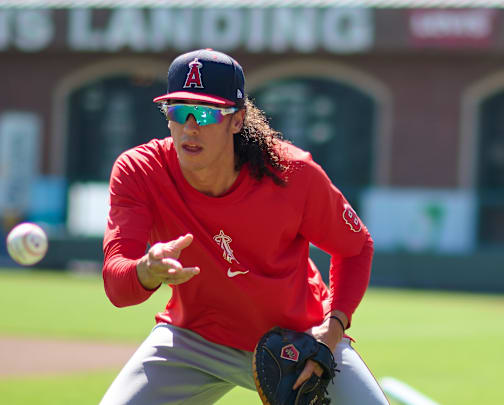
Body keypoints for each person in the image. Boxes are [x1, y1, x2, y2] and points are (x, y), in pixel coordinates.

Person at [99, 49, 389, 405]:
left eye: (206, 112)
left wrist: (330, 334)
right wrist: (145, 269)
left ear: (237, 120)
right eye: (178, 110)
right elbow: (117, 285)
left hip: (298, 341)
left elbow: (356, 247)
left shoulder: (293, 174)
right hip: (193, 339)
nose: (191, 125)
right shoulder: (139, 171)